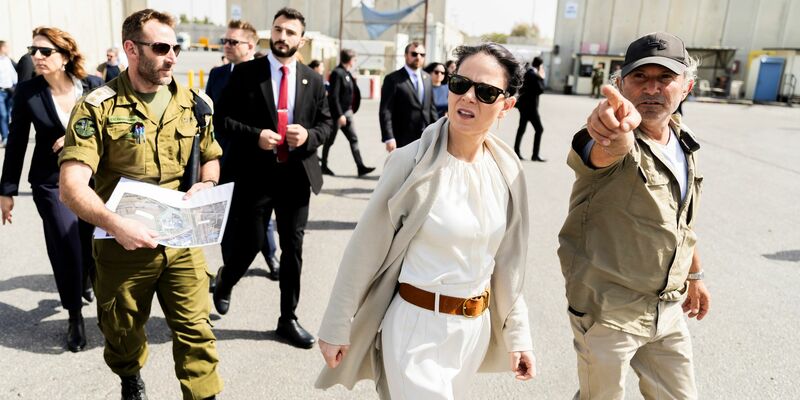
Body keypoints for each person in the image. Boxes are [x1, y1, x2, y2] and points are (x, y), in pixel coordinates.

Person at [317, 42, 535, 399]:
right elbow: (365, 248)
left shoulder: (507, 170)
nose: (468, 97)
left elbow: (508, 262)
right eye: (460, 84)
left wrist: (518, 334)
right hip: (415, 330)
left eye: (485, 92)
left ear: (506, 106)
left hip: (471, 335)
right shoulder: (409, 163)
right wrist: (337, 324)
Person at [58, 9, 223, 400]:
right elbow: (71, 186)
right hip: (122, 245)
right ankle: (130, 377)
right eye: (162, 47)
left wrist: (207, 182)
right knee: (122, 330)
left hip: (181, 240)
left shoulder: (195, 104)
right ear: (131, 49)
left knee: (197, 330)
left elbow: (211, 155)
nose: (172, 57)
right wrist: (116, 225)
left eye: (176, 47)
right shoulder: (98, 107)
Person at [558, 32, 710, 399]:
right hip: (608, 311)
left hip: (667, 306)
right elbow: (600, 150)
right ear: (619, 85)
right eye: (640, 77)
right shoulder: (613, 134)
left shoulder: (682, 139)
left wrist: (696, 275)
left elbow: (681, 221)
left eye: (665, 78)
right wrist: (613, 135)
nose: (652, 88)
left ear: (686, 87)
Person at [212, 7, 332, 350]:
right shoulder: (247, 73)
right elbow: (223, 120)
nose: (282, 37)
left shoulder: (313, 79)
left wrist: (308, 136)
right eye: (278, 30)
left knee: (293, 249)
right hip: (255, 175)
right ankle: (226, 279)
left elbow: (325, 123)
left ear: (301, 40)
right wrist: (256, 136)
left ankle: (287, 319)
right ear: (271, 34)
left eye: (290, 32)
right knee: (248, 246)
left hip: (296, 177)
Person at [0, 26, 102, 353]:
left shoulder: (94, 87)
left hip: (93, 179)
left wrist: (75, 138)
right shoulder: (28, 92)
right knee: (64, 241)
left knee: (88, 242)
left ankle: (85, 278)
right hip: (50, 182)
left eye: (45, 51)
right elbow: (15, 144)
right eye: (34, 50)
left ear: (65, 55)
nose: (37, 57)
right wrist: (7, 191)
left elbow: (116, 129)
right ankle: (74, 314)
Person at [206, 19, 280, 281]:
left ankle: (271, 256)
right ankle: (229, 273)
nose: (226, 46)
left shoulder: (266, 75)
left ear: (250, 45)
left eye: (232, 42)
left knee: (258, 219)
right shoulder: (218, 75)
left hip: (255, 160)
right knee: (226, 217)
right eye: (224, 41)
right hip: (224, 157)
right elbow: (210, 117)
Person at [320, 49, 374, 177]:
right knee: (329, 141)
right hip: (337, 115)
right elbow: (334, 96)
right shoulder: (337, 73)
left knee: (353, 139)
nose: (355, 62)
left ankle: (360, 167)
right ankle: (324, 166)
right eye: (354, 59)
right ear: (350, 60)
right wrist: (339, 115)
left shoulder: (347, 73)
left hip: (347, 113)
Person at [379, 42, 439, 152]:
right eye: (414, 54)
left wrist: (438, 131)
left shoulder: (427, 78)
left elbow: (431, 108)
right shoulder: (392, 79)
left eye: (422, 54)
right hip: (402, 138)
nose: (418, 57)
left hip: (426, 136)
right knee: (404, 169)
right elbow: (385, 110)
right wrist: (389, 137)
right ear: (406, 55)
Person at [514, 56, 546, 161]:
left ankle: (516, 152)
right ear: (540, 65)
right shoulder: (534, 75)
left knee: (521, 129)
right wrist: (542, 77)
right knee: (539, 129)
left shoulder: (527, 73)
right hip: (531, 108)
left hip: (523, 106)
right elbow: (541, 89)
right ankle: (535, 155)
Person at [0, 40, 17, 146]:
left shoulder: (8, 60)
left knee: (9, 115)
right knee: (2, 114)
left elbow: (13, 74)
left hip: (10, 91)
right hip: (0, 91)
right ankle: (5, 138)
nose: (8, 49)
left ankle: (8, 135)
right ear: (1, 48)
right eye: (6, 47)